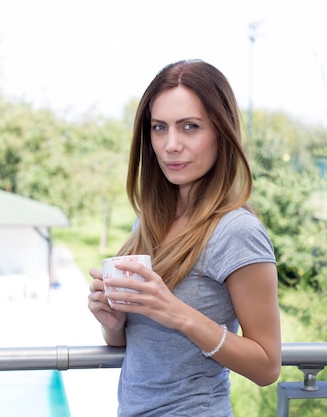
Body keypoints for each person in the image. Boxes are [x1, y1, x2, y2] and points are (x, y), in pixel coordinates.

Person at [87, 59, 281, 416]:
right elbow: (141, 348)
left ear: (221, 133)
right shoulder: (147, 221)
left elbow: (267, 366)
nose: (171, 144)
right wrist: (112, 324)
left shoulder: (237, 231)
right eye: (159, 128)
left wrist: (177, 313)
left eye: (190, 127)